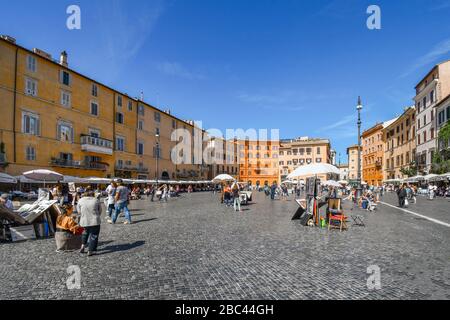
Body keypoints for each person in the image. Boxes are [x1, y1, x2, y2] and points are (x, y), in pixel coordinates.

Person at [77, 188, 102, 256]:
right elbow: (100, 211)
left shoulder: (80, 200)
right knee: (94, 235)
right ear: (93, 194)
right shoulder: (96, 200)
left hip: (84, 221)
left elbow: (79, 212)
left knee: (85, 234)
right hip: (94, 221)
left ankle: (82, 246)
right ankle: (90, 250)